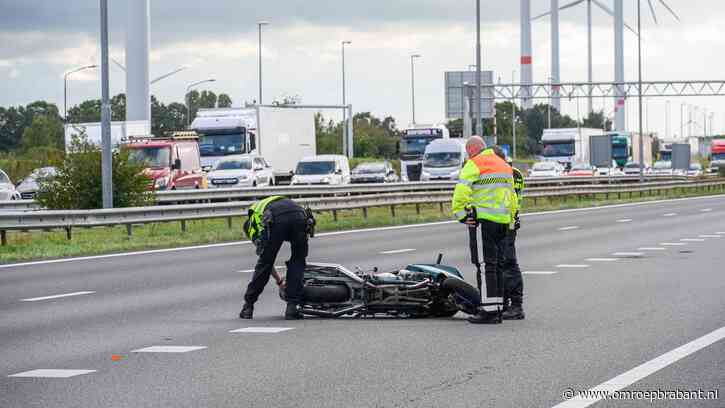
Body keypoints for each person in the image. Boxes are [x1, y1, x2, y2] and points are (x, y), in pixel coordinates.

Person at [452, 136, 517, 324]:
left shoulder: (475, 163)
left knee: (484, 265)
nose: (468, 155)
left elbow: (462, 191)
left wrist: (462, 215)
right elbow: (511, 196)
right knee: (496, 265)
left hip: (483, 220)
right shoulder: (503, 165)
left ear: (472, 149)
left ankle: (488, 311)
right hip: (503, 221)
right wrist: (511, 220)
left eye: (467, 151)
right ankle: (497, 308)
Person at [240, 196, 313, 320]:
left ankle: (248, 306)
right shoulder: (264, 206)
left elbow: (266, 261)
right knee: (298, 260)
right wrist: (280, 281)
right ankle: (292, 308)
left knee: (264, 263)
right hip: (299, 214)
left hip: (276, 217)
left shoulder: (253, 224)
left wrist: (279, 282)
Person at [497, 153, 525, 320]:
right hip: (504, 222)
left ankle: (515, 305)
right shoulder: (510, 172)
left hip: (507, 223)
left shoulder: (511, 174)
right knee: (500, 264)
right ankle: (502, 302)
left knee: (508, 263)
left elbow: (505, 198)